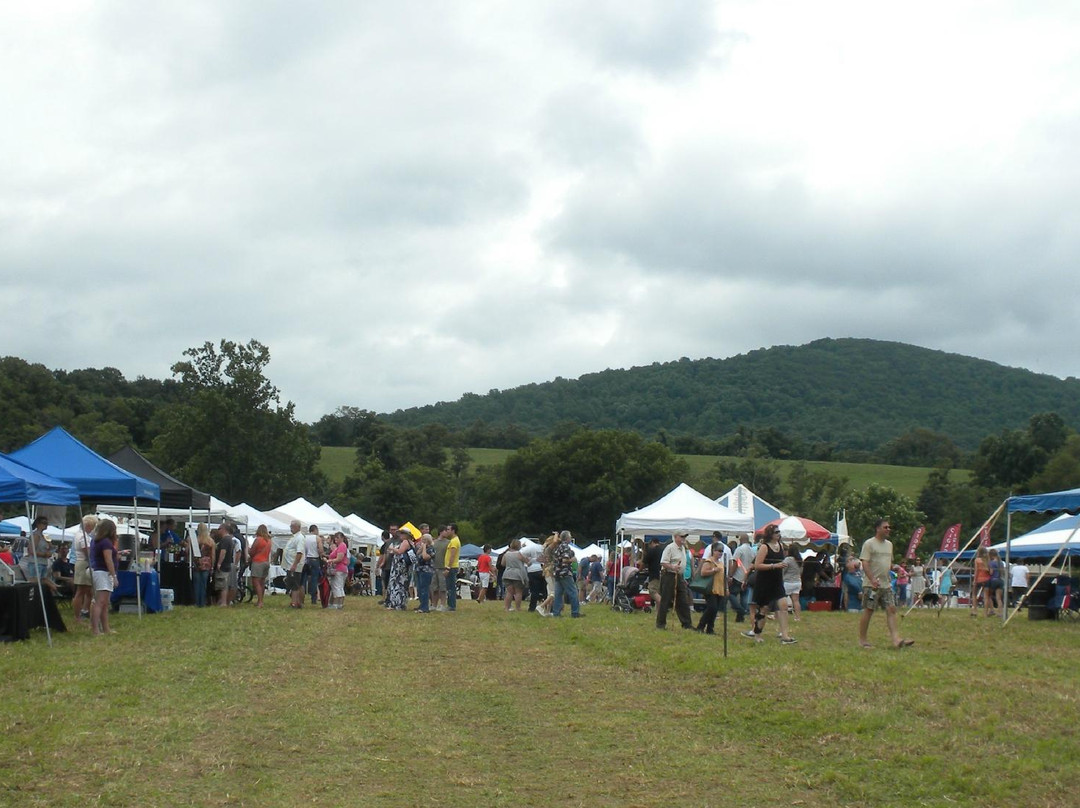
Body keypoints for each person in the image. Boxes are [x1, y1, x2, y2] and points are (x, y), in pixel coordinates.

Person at [857, 519, 914, 649]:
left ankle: (896, 640)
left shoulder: (889, 545)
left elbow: (888, 563)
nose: (888, 529)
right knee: (869, 610)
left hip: (886, 584)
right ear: (878, 529)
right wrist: (872, 579)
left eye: (889, 527)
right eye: (885, 527)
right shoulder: (869, 544)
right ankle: (863, 640)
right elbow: (865, 562)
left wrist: (894, 568)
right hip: (871, 585)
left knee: (891, 609)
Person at [743, 525, 795, 644]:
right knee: (763, 610)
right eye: (776, 532)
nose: (778, 534)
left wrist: (783, 565)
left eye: (779, 532)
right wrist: (774, 566)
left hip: (777, 582)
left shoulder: (780, 546)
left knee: (783, 606)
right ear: (770, 534)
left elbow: (781, 561)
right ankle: (757, 634)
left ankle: (785, 636)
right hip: (764, 582)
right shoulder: (764, 547)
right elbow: (757, 565)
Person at [655, 533, 693, 631]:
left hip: (679, 576)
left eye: (684, 537)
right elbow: (663, 562)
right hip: (669, 575)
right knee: (665, 600)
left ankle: (687, 624)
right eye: (681, 536)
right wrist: (673, 567)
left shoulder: (683, 548)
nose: (683, 539)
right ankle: (660, 624)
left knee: (683, 600)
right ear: (675, 537)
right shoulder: (670, 548)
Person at [89, 518, 120, 636]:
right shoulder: (106, 542)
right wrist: (114, 576)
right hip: (103, 573)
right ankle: (96, 630)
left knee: (104, 603)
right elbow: (108, 560)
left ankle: (106, 628)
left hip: (98, 571)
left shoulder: (96, 541)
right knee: (100, 602)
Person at [695, 540, 730, 634]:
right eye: (719, 551)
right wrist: (714, 570)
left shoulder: (721, 563)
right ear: (713, 551)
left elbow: (724, 577)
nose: (720, 553)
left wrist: (726, 588)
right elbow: (703, 573)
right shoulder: (709, 561)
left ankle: (710, 629)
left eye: (722, 551)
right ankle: (700, 626)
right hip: (711, 589)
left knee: (715, 610)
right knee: (712, 608)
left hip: (720, 589)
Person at [72, 514, 98, 623]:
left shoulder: (80, 535)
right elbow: (87, 552)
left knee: (88, 590)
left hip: (82, 562)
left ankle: (84, 611)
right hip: (84, 563)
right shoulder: (83, 537)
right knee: (81, 591)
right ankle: (77, 616)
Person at [550, 531, 582, 618]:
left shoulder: (558, 547)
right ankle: (575, 612)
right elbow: (565, 560)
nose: (571, 538)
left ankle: (556, 613)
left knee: (558, 594)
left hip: (557, 572)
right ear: (567, 538)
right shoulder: (565, 547)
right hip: (565, 572)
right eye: (570, 536)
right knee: (573, 592)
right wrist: (572, 559)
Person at [21, 515, 54, 592]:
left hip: (43, 562)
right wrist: (44, 554)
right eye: (44, 523)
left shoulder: (44, 536)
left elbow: (48, 548)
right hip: (35, 563)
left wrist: (50, 548)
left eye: (47, 523)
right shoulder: (35, 535)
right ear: (38, 524)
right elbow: (32, 551)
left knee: (42, 583)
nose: (46, 525)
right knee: (35, 584)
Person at [729, 534, 754, 622]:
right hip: (747, 576)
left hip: (738, 576)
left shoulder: (739, 549)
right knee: (744, 596)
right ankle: (741, 617)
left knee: (731, 594)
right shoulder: (752, 550)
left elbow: (736, 563)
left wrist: (731, 575)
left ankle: (740, 610)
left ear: (741, 540)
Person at [387, 529, 414, 610]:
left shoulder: (405, 542)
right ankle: (399, 603)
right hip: (401, 566)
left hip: (400, 567)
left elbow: (400, 551)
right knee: (401, 584)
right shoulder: (409, 542)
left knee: (398, 584)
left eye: (402, 534)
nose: (400, 535)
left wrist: (392, 548)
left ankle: (397, 603)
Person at [248, 524, 273, 608]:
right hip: (266, 562)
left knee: (256, 582)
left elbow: (252, 552)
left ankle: (260, 601)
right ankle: (261, 600)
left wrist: (248, 549)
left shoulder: (258, 539)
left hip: (258, 562)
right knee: (262, 582)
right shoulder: (269, 540)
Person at [501, 539, 528, 611]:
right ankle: (518, 608)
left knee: (509, 592)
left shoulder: (506, 554)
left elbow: (503, 563)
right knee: (518, 592)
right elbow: (527, 561)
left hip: (507, 573)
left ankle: (507, 608)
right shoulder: (519, 554)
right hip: (517, 574)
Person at [284, 521, 307, 609]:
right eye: (291, 526)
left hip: (295, 565)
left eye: (293, 526)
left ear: (298, 527)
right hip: (291, 564)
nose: (291, 528)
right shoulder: (294, 537)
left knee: (295, 584)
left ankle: (294, 603)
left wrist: (294, 564)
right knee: (293, 583)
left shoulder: (300, 538)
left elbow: (299, 552)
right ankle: (297, 602)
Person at [326, 531, 350, 610]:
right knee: (339, 587)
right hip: (342, 569)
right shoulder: (341, 546)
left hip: (339, 569)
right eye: (335, 537)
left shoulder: (342, 546)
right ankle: (339, 604)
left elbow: (339, 558)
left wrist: (330, 561)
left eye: (338, 537)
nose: (336, 539)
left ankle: (336, 604)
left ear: (342, 538)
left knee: (337, 587)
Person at [302, 525, 324, 607]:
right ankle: (313, 598)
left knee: (304, 579)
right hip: (314, 559)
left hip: (306, 559)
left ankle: (302, 597)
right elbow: (321, 550)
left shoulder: (305, 538)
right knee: (314, 579)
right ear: (315, 530)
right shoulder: (317, 538)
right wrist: (321, 554)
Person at [213, 525, 235, 607]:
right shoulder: (229, 539)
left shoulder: (225, 539)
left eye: (219, 529)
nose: (218, 531)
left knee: (222, 585)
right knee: (224, 584)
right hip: (227, 564)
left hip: (224, 565)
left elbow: (223, 552)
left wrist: (219, 563)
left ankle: (223, 602)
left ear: (224, 529)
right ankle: (222, 601)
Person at [193, 524, 214, 607]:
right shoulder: (210, 541)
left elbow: (190, 552)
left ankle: (197, 602)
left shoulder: (195, 540)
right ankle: (202, 602)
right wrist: (212, 566)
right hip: (207, 564)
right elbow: (213, 555)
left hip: (197, 563)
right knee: (204, 584)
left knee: (196, 584)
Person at [412, 533, 434, 613]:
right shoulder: (422, 548)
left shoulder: (431, 549)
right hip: (419, 570)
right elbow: (417, 554)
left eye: (424, 540)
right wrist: (421, 548)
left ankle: (425, 607)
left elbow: (425, 557)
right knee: (419, 589)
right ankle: (421, 604)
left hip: (426, 571)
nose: (423, 542)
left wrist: (424, 548)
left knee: (425, 589)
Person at [431, 527, 451, 611]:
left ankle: (443, 605)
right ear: (441, 532)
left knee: (443, 588)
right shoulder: (434, 542)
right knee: (434, 588)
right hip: (434, 567)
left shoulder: (448, 542)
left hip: (443, 567)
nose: (447, 532)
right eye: (445, 531)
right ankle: (434, 605)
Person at [782, 544, 803, 622]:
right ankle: (797, 617)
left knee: (782, 599)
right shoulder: (800, 560)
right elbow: (801, 571)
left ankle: (779, 615)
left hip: (788, 582)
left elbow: (783, 570)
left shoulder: (788, 559)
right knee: (796, 601)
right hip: (797, 582)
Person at [444, 524, 461, 612]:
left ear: (453, 530)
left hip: (452, 567)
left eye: (448, 529)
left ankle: (451, 606)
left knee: (451, 587)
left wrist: (448, 567)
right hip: (451, 567)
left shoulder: (454, 541)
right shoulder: (453, 540)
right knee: (449, 587)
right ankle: (450, 605)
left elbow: (452, 555)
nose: (447, 531)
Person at [643, 537, 663, 611]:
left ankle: (662, 604)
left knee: (652, 591)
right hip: (663, 574)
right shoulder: (663, 550)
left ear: (652, 542)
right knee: (659, 592)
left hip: (654, 574)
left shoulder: (651, 551)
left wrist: (639, 570)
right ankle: (658, 612)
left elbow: (644, 562)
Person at [971, 546, 991, 617]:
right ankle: (985, 613)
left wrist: (974, 580)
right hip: (987, 579)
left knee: (974, 594)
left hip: (979, 579)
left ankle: (975, 611)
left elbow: (976, 571)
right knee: (986, 597)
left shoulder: (977, 560)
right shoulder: (988, 560)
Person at [986, 548, 1004, 617]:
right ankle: (1000, 613)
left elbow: (991, 572)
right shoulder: (1001, 563)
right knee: (998, 598)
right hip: (1000, 580)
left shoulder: (991, 563)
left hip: (993, 580)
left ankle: (992, 610)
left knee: (988, 596)